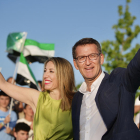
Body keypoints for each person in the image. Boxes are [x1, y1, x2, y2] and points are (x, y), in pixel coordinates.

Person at [72, 38, 140, 140]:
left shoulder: (118, 80)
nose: (87, 62)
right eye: (81, 58)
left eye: (92, 56)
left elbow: (135, 67)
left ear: (101, 58)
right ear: (76, 64)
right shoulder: (77, 98)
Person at [0, 57, 76, 140]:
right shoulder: (37, 97)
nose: (45, 75)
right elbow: (3, 84)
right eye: (45, 71)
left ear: (63, 74)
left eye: (51, 71)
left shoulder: (76, 101)